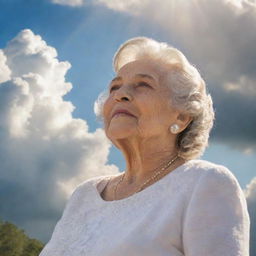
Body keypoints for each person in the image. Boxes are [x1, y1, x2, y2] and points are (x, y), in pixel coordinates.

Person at [39, 37, 250, 256]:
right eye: (115, 86)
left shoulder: (205, 182)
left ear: (182, 116)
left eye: (143, 84)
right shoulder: (84, 194)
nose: (120, 94)